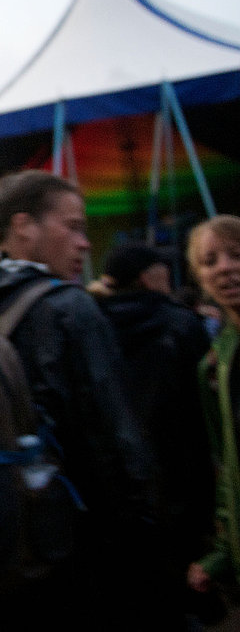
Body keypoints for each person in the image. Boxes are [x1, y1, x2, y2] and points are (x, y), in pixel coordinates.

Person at [0, 169, 157, 631]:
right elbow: (120, 452)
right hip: (69, 566)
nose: (84, 244)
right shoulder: (68, 307)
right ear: (24, 226)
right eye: (72, 226)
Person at [97, 242, 215, 629]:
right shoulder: (181, 323)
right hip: (184, 475)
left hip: (122, 483)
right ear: (149, 276)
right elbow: (204, 410)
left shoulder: (93, 326)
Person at [186, 215, 240, 601]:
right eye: (210, 261)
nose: (224, 267)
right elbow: (227, 466)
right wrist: (223, 554)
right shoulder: (214, 364)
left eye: (236, 254)